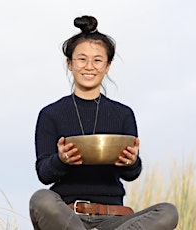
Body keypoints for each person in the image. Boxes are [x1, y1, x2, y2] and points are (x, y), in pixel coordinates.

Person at [29, 15, 179, 230]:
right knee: (41, 199)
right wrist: (61, 160)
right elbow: (44, 173)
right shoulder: (51, 113)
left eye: (97, 60)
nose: (89, 66)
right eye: (81, 59)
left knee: (167, 212)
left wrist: (132, 162)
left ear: (107, 66)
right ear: (70, 63)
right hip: (67, 218)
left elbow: (131, 174)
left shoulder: (123, 114)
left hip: (115, 220)